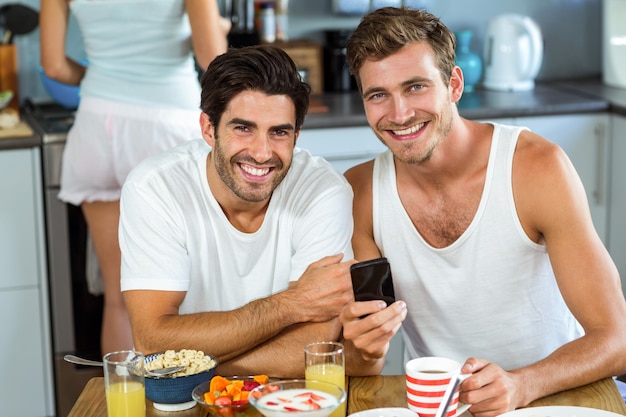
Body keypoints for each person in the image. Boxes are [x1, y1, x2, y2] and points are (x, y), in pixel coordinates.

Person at [339, 6, 626, 417]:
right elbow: (369, 360)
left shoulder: (536, 168)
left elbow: (617, 338)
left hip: (554, 396)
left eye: (416, 87)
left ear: (453, 84)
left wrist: (521, 383)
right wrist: (362, 343)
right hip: (439, 407)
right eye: (378, 95)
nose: (399, 114)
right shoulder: (361, 193)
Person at [118, 45, 362, 377]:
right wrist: (290, 305)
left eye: (278, 132)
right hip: (184, 403)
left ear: (296, 137)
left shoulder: (323, 191)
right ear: (208, 129)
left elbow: (311, 350)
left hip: (288, 403)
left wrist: (192, 364)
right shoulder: (155, 188)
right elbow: (152, 339)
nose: (262, 154)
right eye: (243, 128)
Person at [39, 0, 230, 355]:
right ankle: (183, 401)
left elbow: (52, 64)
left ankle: (124, 406)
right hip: (168, 124)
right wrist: (219, 28)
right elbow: (214, 61)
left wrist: (99, 78)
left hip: (97, 123)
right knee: (191, 291)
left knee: (120, 295)